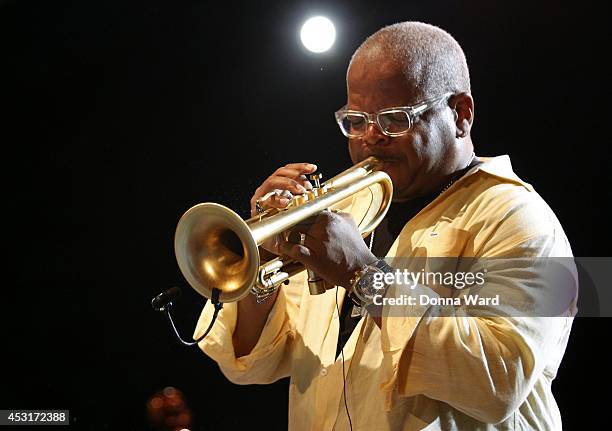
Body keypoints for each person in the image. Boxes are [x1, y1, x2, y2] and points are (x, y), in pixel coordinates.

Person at [194, 21, 577, 430]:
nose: (370, 138)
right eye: (356, 121)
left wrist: (363, 275)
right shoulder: (348, 210)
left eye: (395, 119)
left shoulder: (524, 219)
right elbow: (251, 365)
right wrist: (261, 259)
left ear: (460, 114)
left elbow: (499, 381)